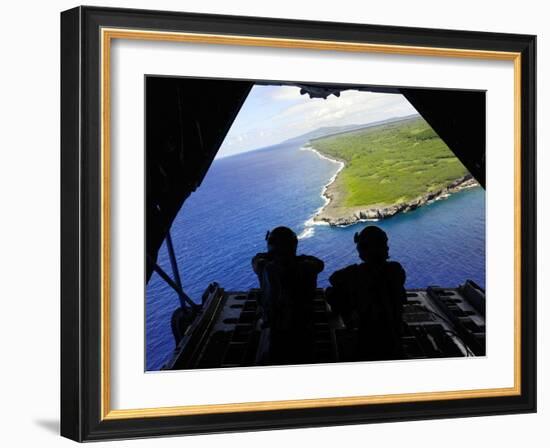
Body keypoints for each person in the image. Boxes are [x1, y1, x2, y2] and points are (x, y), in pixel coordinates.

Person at [326, 226, 406, 361]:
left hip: (367, 339)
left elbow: (333, 279)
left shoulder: (354, 274)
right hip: (395, 338)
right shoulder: (396, 270)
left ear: (362, 250)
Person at [252, 226, 324, 364]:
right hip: (303, 328)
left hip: (274, 330)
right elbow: (319, 263)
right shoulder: (308, 266)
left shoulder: (264, 267)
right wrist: (295, 257)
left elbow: (257, 258)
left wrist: (272, 250)